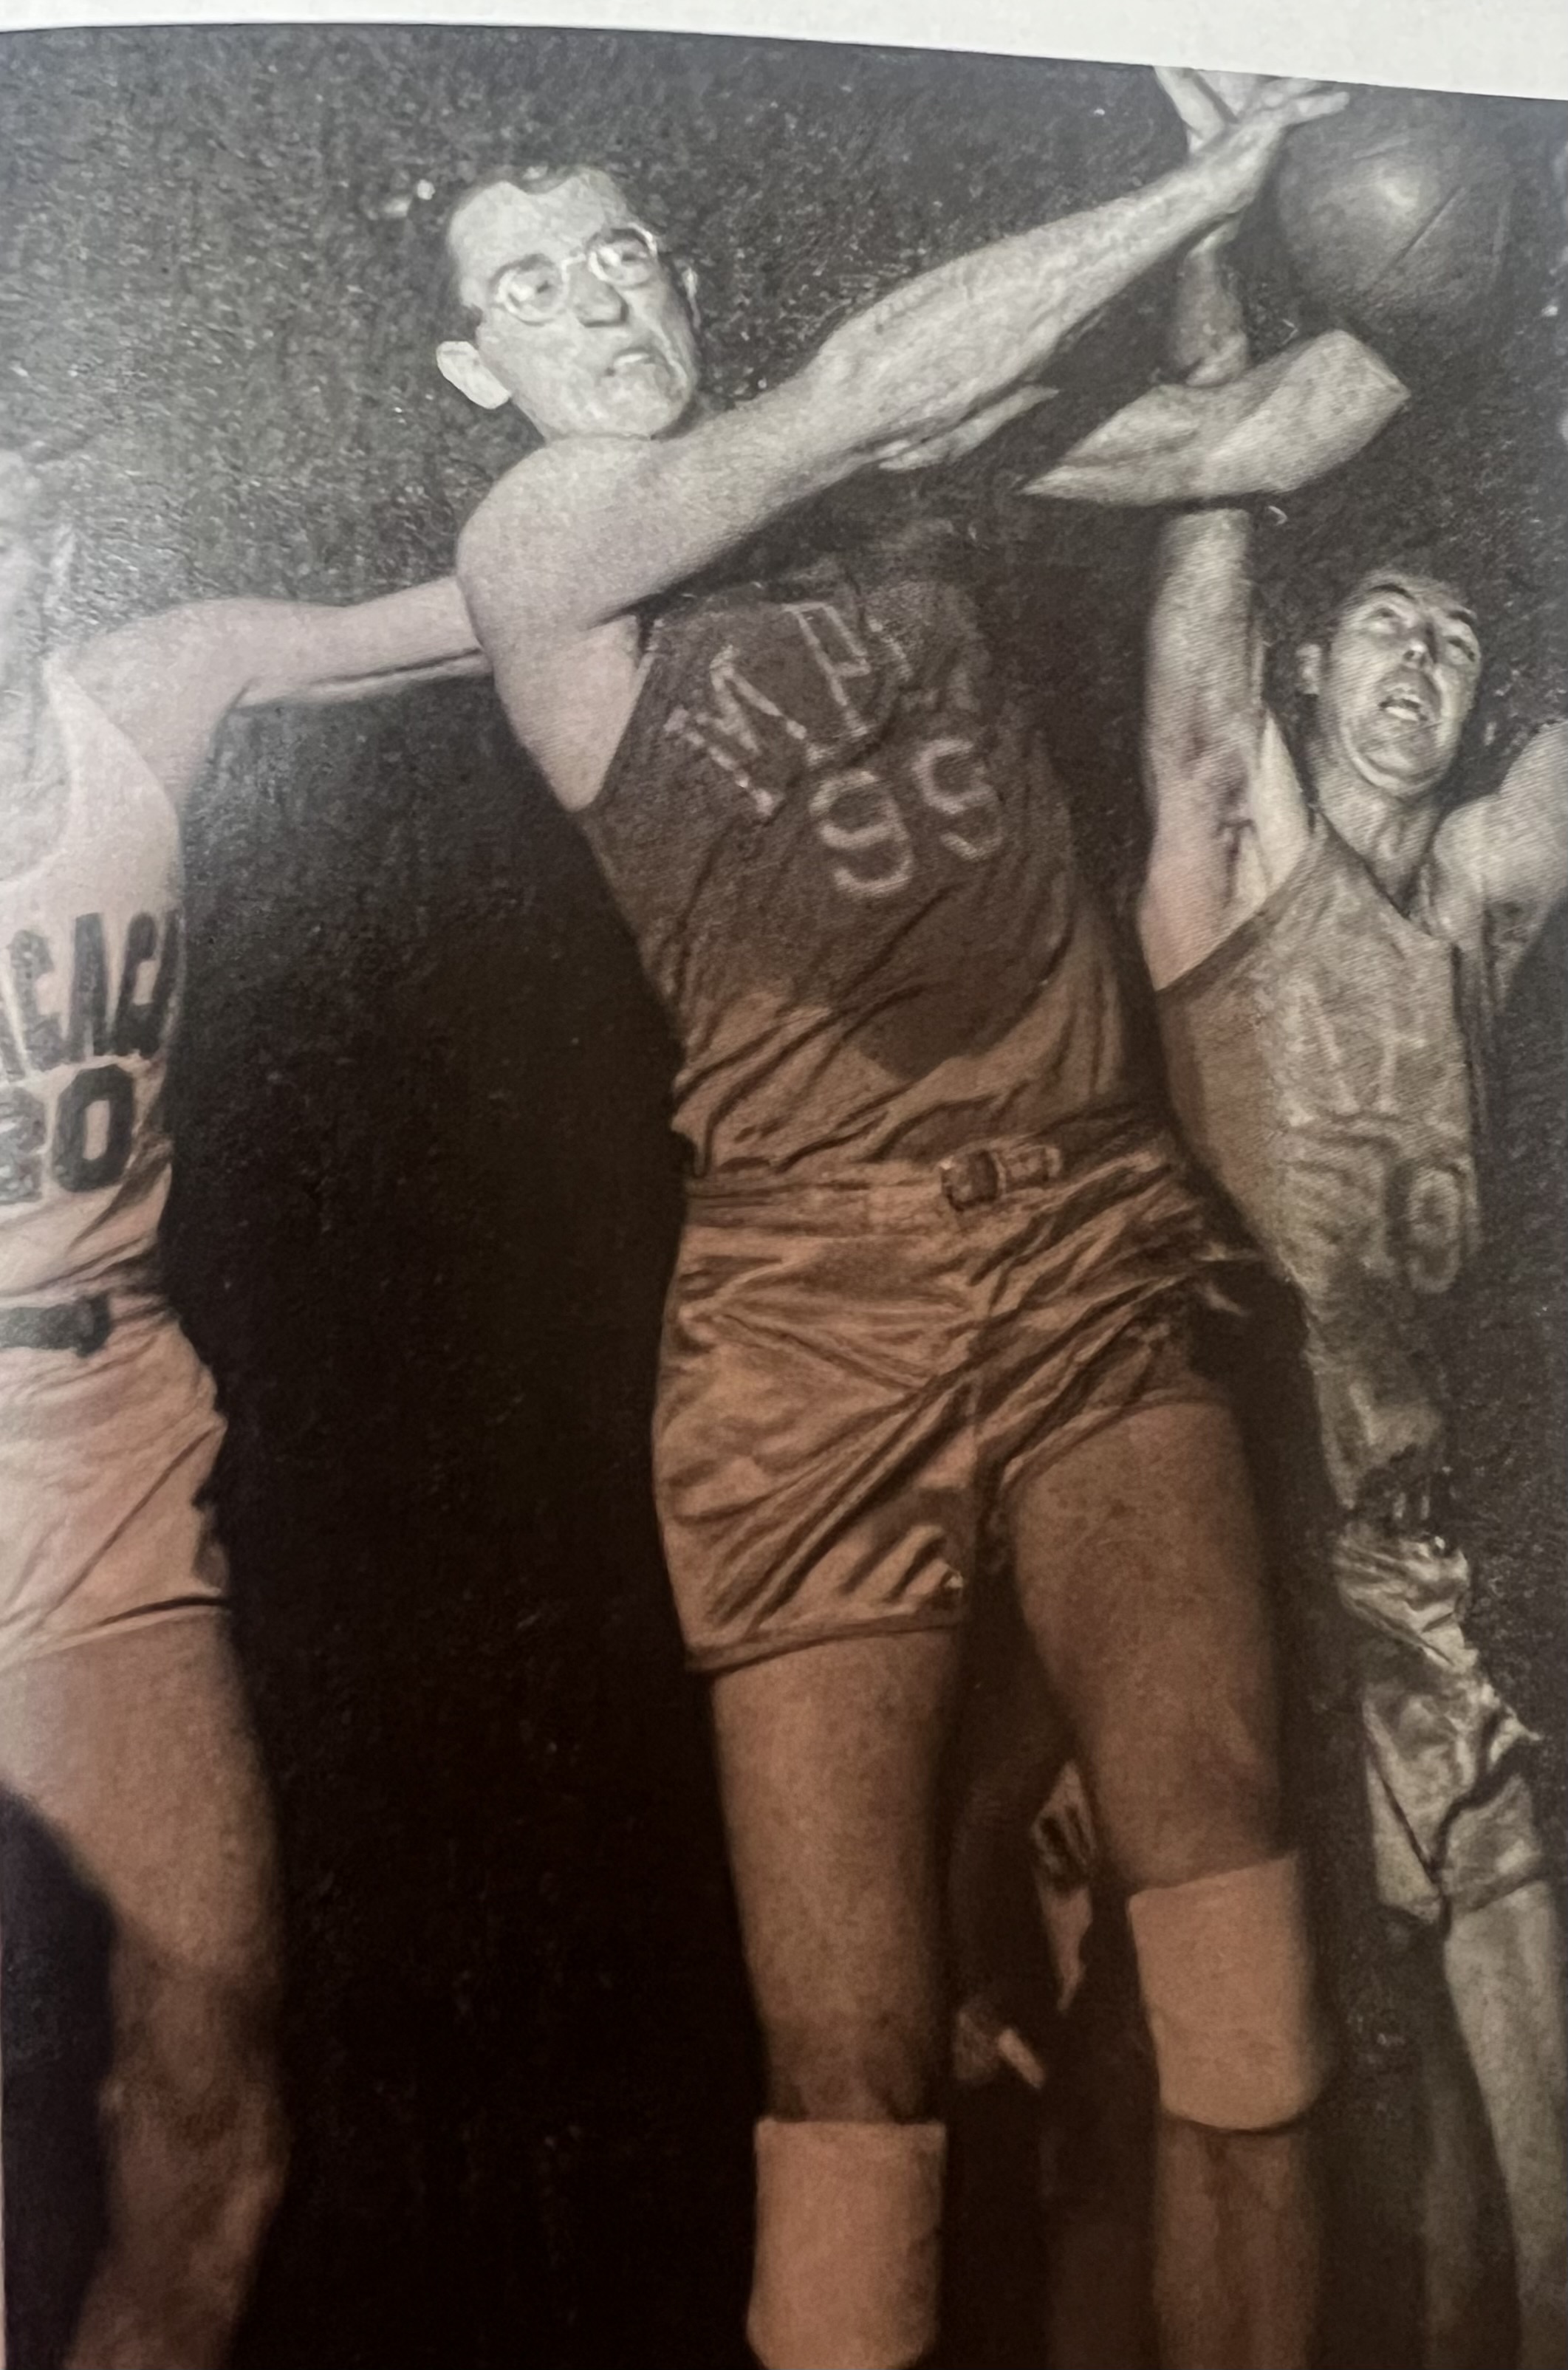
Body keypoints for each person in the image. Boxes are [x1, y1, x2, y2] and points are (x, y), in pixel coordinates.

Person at [440, 78, 1364, 2370]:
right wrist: (1199, 178)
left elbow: (1272, 431)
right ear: (479, 369)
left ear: (675, 272)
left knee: (1238, 1965)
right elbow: (864, 381)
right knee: (852, 2066)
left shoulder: (905, 469)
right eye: (530, 288)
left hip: (1084, 1236)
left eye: (617, 252)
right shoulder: (538, 545)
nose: (596, 307)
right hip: (805, 1307)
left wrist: (1388, 182)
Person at [1032, 66, 1568, 2370]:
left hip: (1434, 1579)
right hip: (1255, 1576)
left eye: (1453, 643)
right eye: (1384, 630)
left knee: (1524, 2216)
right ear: (1307, 674)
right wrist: (1218, 237)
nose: (1420, 662)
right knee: (1276, 2136)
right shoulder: (1220, 858)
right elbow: (1215, 544)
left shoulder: (1475, 900)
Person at [0, 442, 482, 2370]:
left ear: (45, 539)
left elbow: (494, 602)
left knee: (213, 2099)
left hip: (106, 1432)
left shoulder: (143, 700)